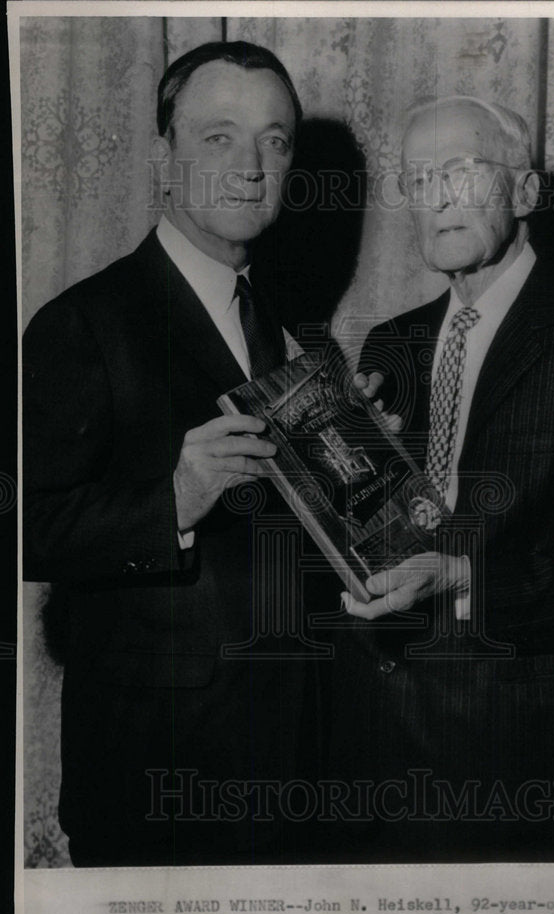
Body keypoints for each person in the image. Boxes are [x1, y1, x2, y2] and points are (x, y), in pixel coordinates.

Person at [325, 96, 554, 862]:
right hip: (375, 747)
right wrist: (327, 465)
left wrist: (462, 578)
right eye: (419, 180)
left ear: (524, 195)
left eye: (460, 172)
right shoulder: (390, 345)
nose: (437, 199)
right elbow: (375, 541)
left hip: (527, 760)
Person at [23, 40, 333, 866]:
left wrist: (351, 457)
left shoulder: (284, 325)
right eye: (217, 137)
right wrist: (173, 500)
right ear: (166, 155)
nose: (250, 167)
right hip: (154, 775)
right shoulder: (80, 324)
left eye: (274, 140)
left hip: (293, 767)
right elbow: (28, 527)